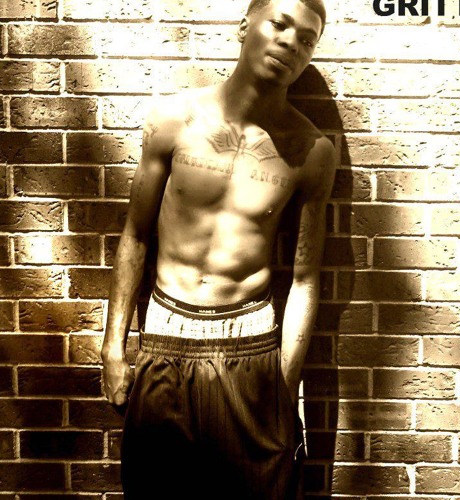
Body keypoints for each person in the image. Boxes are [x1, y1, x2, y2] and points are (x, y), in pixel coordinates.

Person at [101, 0, 334, 498]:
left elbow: (305, 278)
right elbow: (135, 235)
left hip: (252, 346)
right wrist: (113, 349)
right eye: (280, 24)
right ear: (244, 26)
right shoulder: (173, 120)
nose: (291, 43)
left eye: (307, 39)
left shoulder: (311, 150)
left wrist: (284, 383)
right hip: (165, 338)